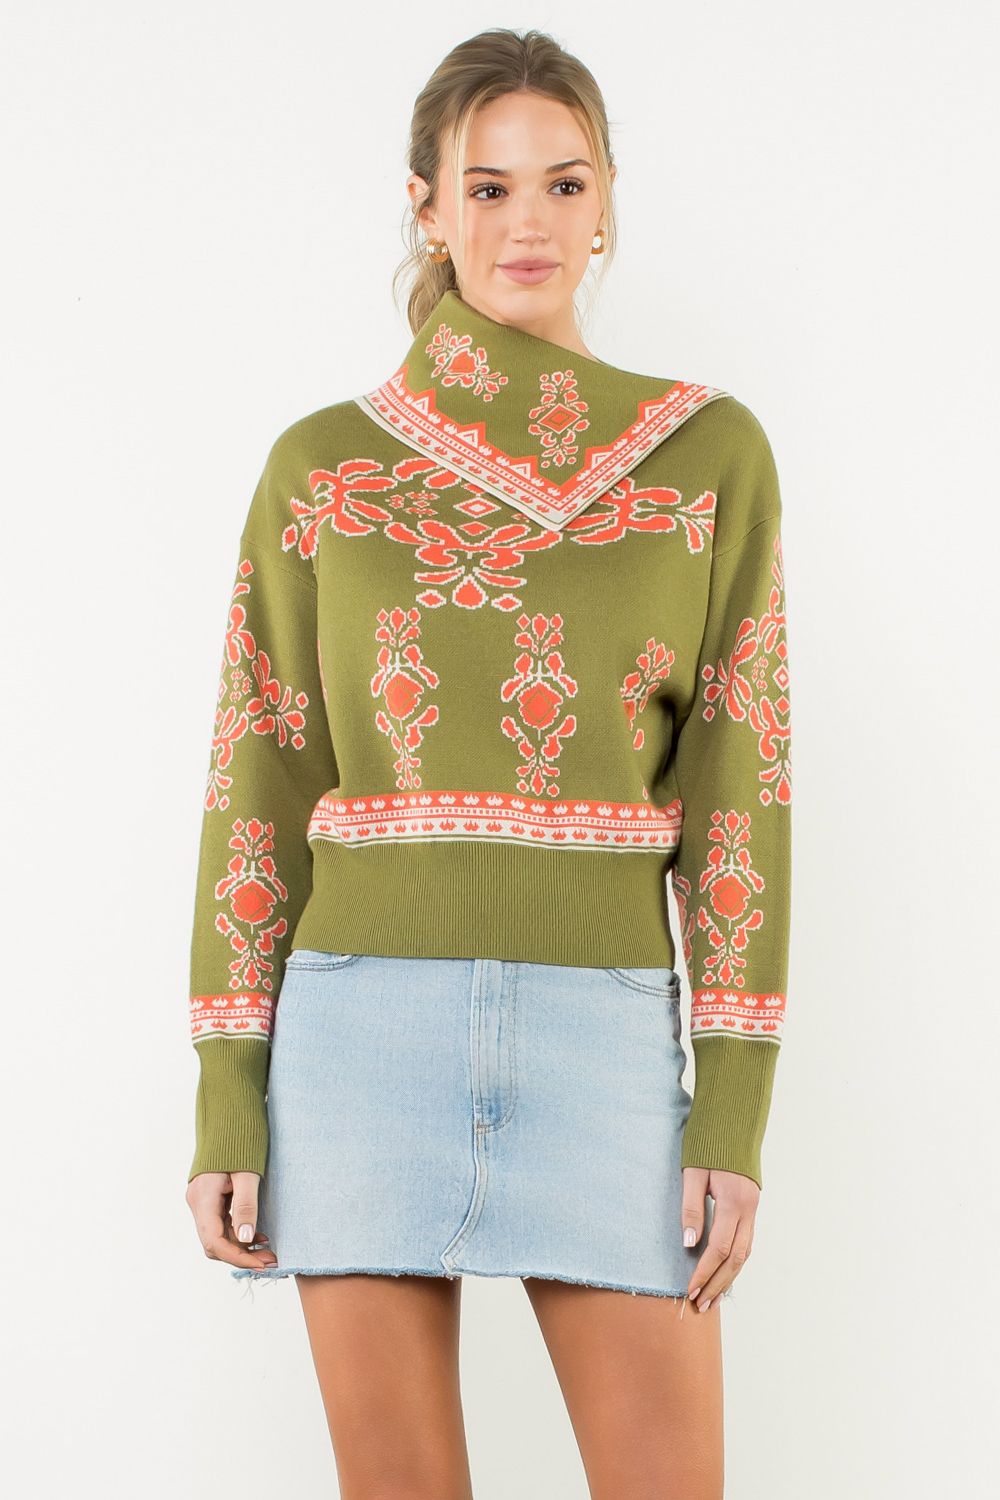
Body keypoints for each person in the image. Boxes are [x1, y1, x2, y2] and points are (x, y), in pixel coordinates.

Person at [184, 26, 792, 1500]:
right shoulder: (322, 467)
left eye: (565, 183)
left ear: (607, 201)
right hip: (357, 1037)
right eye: (491, 186)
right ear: (428, 206)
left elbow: (741, 785)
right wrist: (227, 1085)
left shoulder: (709, 456)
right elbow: (259, 773)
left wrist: (732, 1098)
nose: (531, 223)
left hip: (605, 1036)